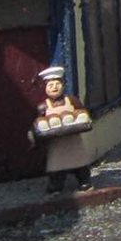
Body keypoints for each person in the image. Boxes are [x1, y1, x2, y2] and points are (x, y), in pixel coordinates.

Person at [35, 66, 95, 194]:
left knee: (79, 161)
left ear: (63, 85)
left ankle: (84, 181)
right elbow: (39, 123)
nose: (54, 87)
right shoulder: (43, 106)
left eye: (57, 84)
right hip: (56, 143)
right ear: (45, 88)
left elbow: (83, 111)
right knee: (56, 164)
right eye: (50, 85)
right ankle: (56, 184)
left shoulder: (72, 101)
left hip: (73, 140)